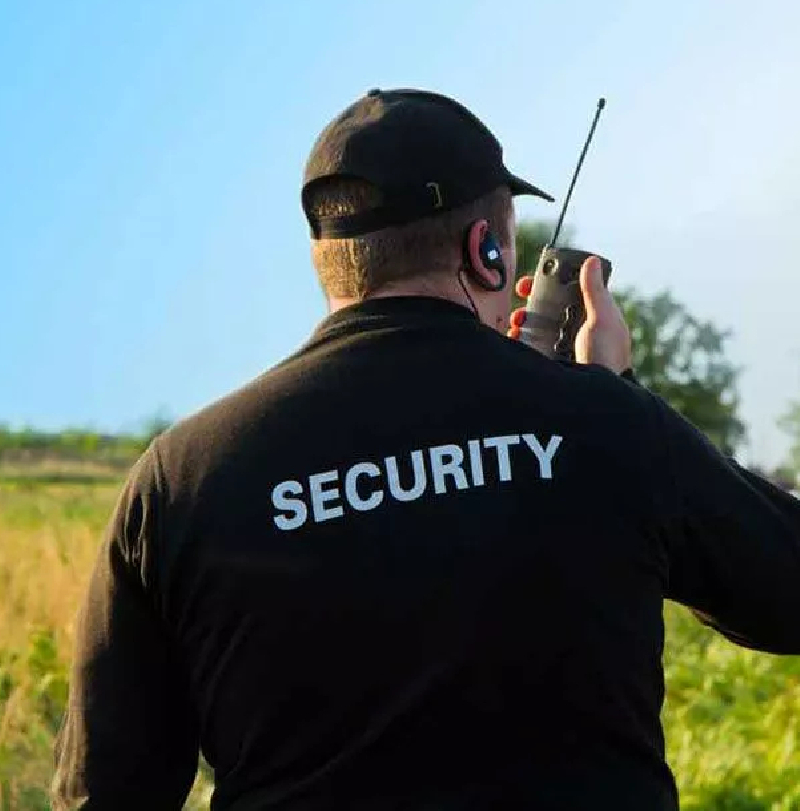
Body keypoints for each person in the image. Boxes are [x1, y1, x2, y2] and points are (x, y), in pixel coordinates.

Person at [52, 88, 800, 811]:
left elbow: (105, 791)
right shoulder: (611, 424)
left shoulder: (181, 476)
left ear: (328, 258)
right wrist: (614, 395)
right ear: (487, 251)